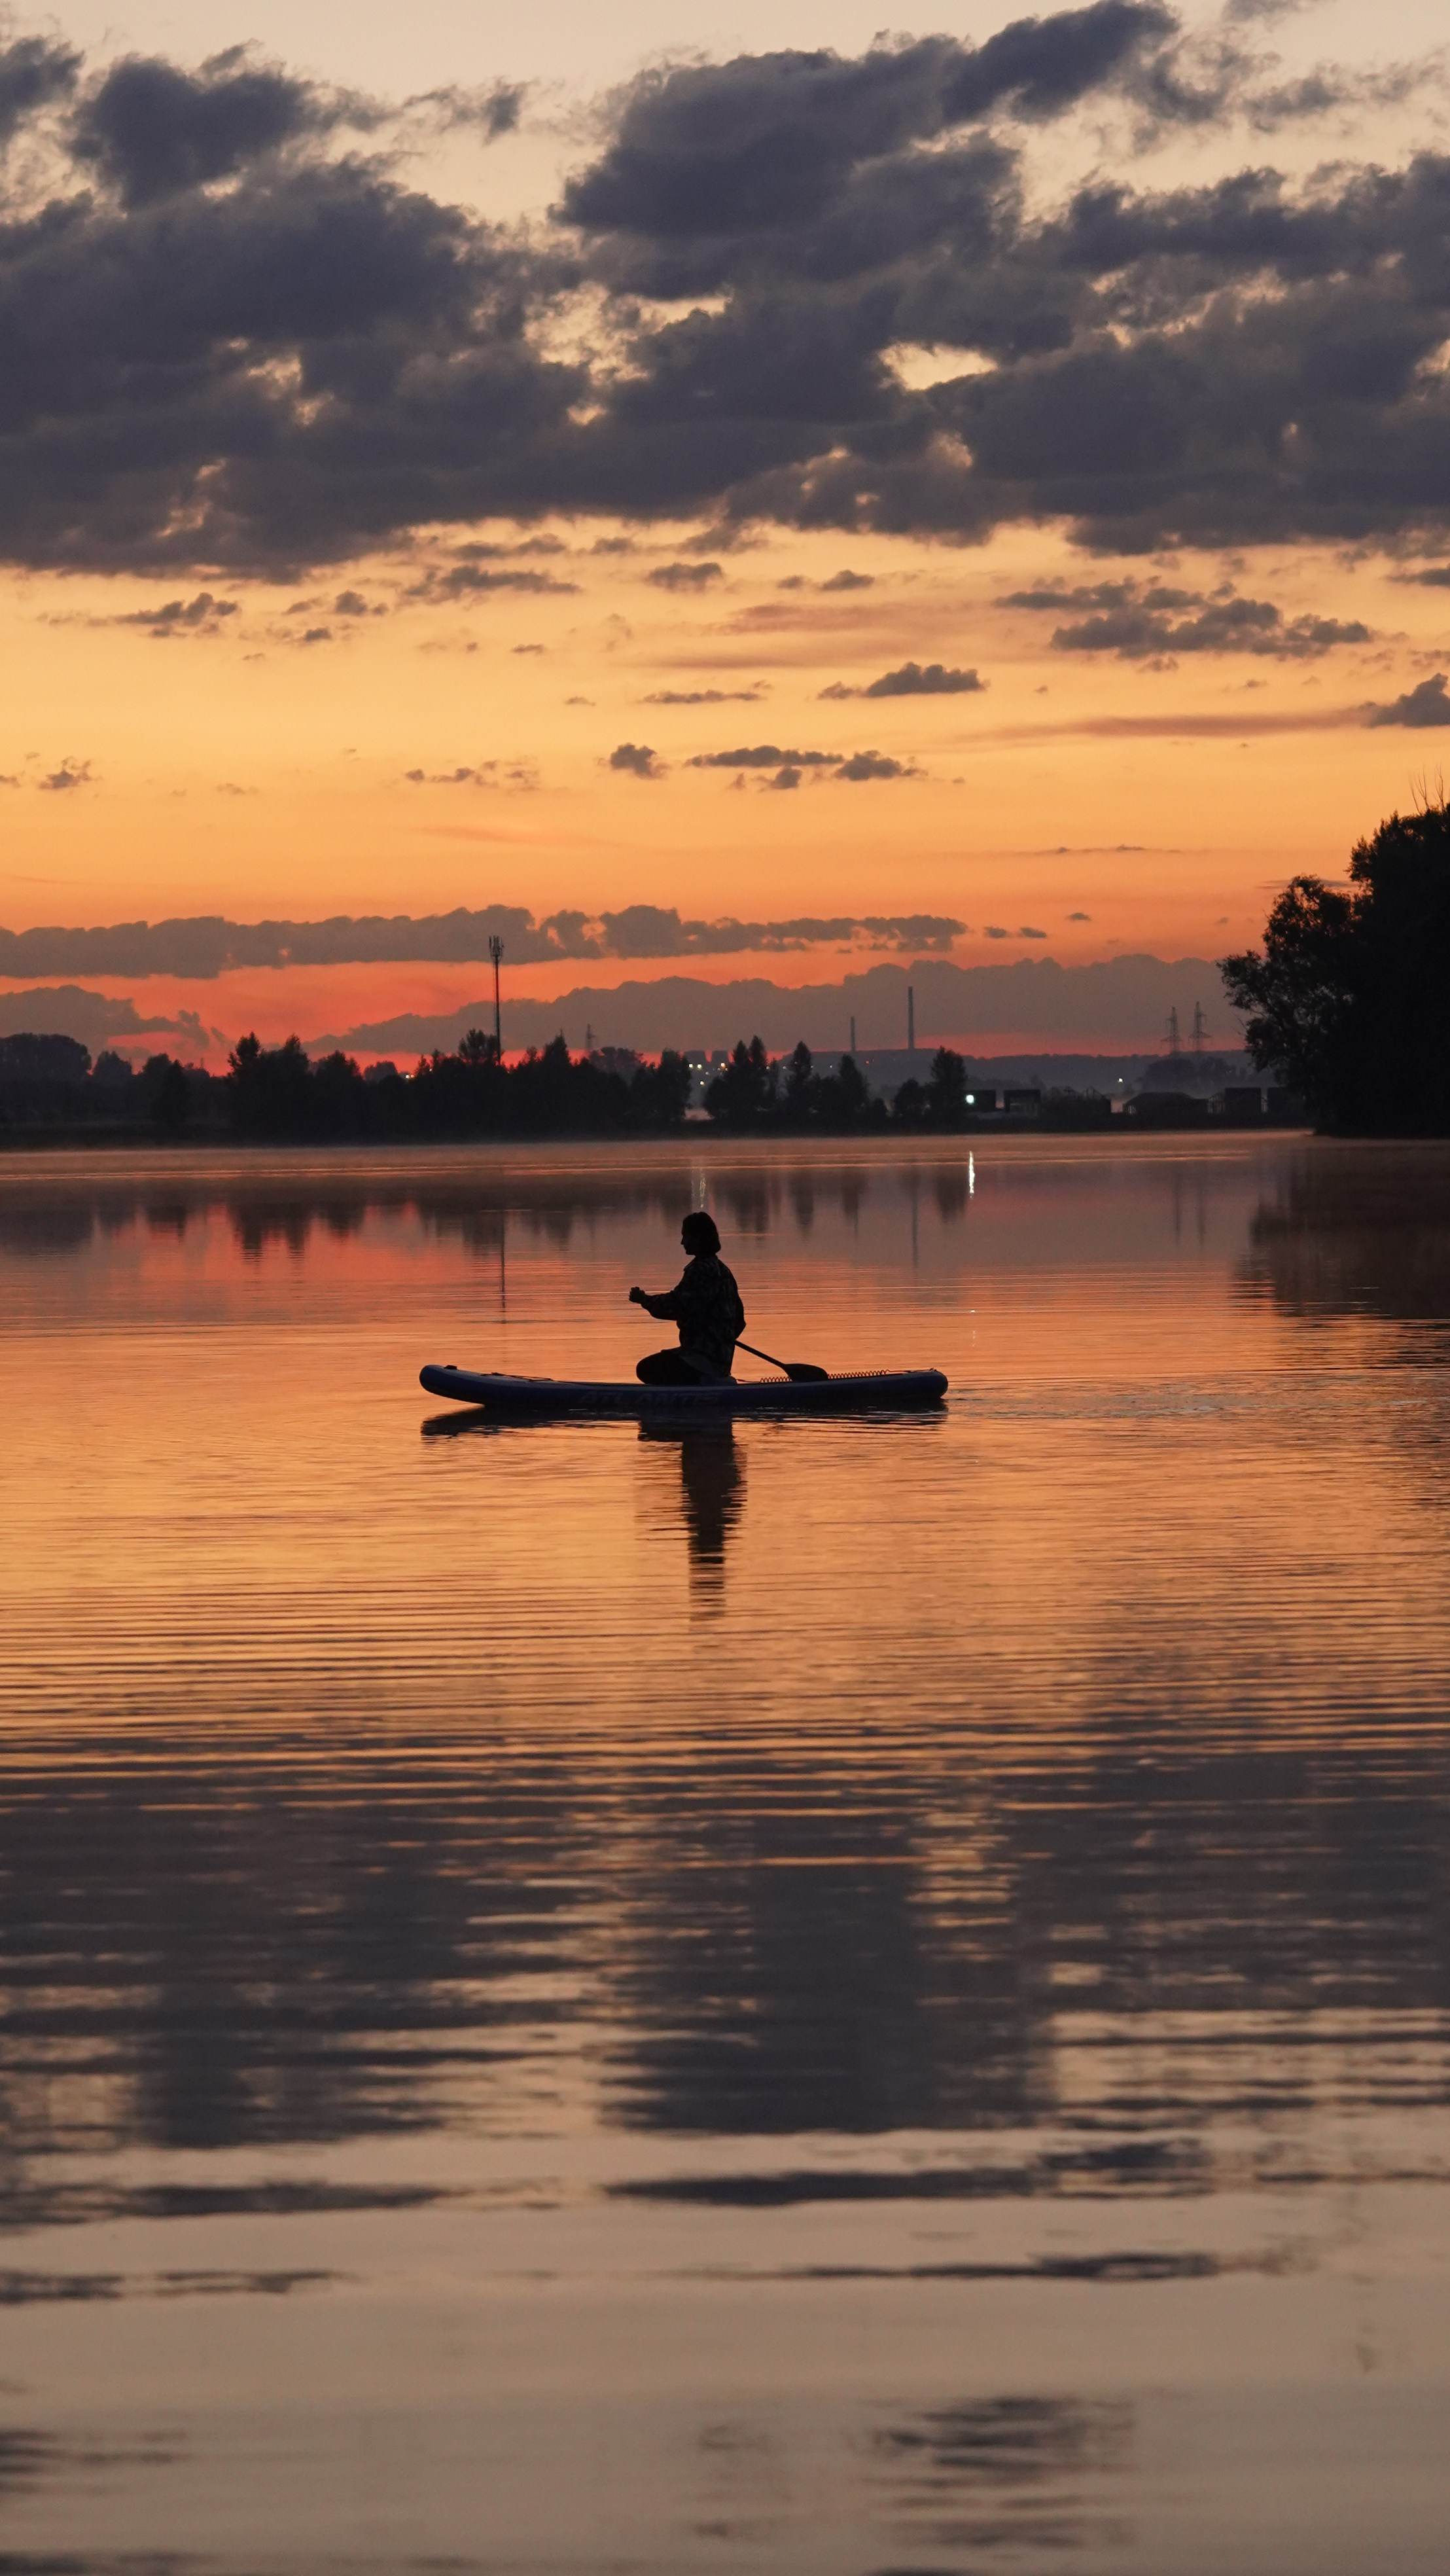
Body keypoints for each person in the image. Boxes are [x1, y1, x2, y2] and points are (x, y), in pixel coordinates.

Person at [629, 1211, 745, 1384]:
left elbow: (676, 1306)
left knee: (645, 1369)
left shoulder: (699, 1270)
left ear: (698, 1238)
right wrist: (720, 1338)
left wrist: (644, 1300)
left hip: (701, 1361)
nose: (682, 1242)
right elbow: (739, 1321)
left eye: (686, 1236)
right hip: (720, 1360)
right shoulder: (724, 1271)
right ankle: (710, 1379)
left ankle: (704, 1381)